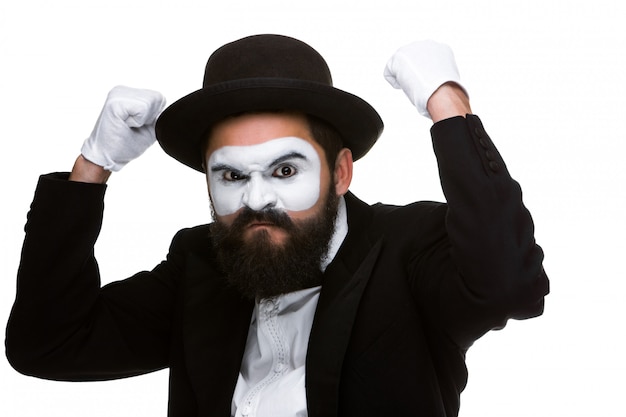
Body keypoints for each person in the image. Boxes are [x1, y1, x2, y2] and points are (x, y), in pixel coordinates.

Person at [5, 34, 549, 417]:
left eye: (286, 170)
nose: (256, 198)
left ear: (339, 172)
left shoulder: (407, 247)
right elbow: (47, 345)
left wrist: (448, 109)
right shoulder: (200, 263)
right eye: (231, 175)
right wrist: (92, 168)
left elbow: (512, 287)